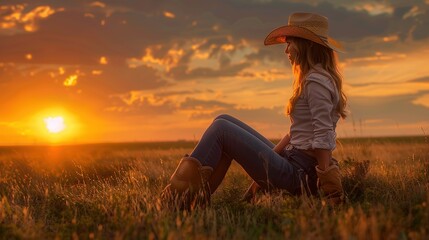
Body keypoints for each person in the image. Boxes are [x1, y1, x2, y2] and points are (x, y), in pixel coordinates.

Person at [161, 12, 347, 209]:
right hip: (292, 161)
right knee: (222, 119)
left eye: (289, 43)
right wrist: (264, 165)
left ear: (306, 44)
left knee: (222, 129)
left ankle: (173, 201)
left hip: (300, 175)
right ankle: (194, 202)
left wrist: (329, 185)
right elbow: (297, 132)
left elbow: (323, 132)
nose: (286, 51)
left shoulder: (316, 82)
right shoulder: (312, 78)